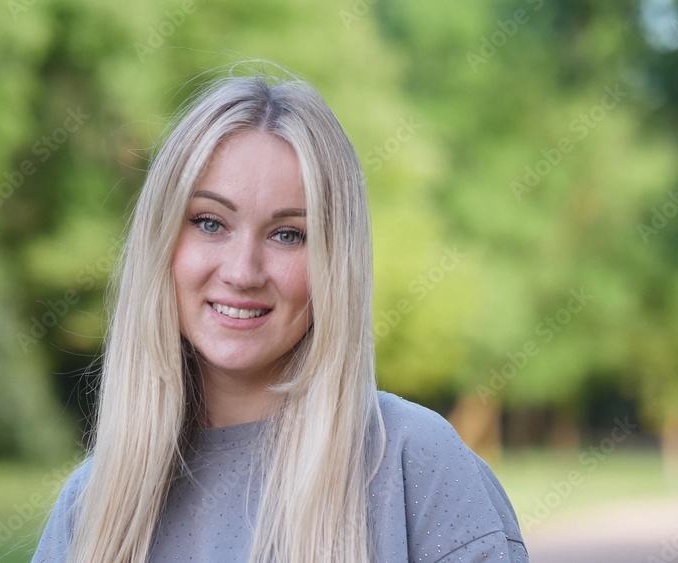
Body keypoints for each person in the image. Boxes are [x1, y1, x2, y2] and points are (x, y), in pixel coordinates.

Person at [33, 68, 528, 562]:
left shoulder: (414, 464)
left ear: (335, 264)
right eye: (210, 223)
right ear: (161, 243)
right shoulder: (90, 508)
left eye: (288, 234)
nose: (243, 270)